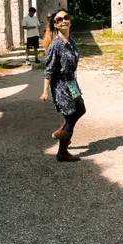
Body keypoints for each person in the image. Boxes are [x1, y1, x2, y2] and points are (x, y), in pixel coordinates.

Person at [40, 9, 86, 162]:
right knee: (71, 115)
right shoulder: (55, 45)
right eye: (59, 20)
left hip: (72, 83)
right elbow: (49, 69)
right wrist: (45, 90)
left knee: (80, 109)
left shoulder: (71, 40)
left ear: (69, 20)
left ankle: (62, 132)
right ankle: (62, 151)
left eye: (66, 18)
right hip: (60, 86)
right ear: (55, 25)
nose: (63, 21)